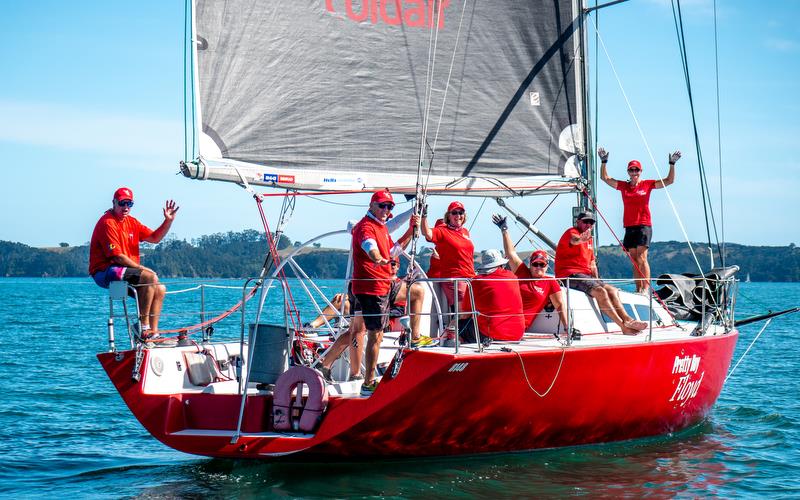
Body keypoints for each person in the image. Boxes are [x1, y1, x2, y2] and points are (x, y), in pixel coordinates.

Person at [350, 189, 418, 396]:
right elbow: (369, 246)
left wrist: (410, 231)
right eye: (382, 206)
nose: (386, 210)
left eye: (389, 207)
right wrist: (376, 257)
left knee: (416, 291)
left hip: (384, 285)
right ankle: (368, 382)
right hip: (371, 288)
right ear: (371, 205)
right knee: (375, 335)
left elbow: (393, 252)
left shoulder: (381, 227)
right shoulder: (365, 227)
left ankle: (415, 337)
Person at [315, 262, 429, 382]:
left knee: (355, 330)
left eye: (394, 264)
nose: (392, 266)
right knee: (352, 322)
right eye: (390, 263)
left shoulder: (399, 286)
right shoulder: (393, 285)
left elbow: (394, 309)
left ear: (399, 267)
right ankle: (314, 328)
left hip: (385, 317)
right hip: (375, 303)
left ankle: (332, 367)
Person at [89, 187, 179, 338]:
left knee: (160, 288)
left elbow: (155, 238)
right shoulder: (107, 223)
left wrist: (168, 221)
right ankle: (143, 329)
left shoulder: (132, 222)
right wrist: (142, 268)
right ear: (114, 202)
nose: (125, 207)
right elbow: (117, 257)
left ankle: (153, 333)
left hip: (124, 269)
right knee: (149, 277)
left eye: (129, 204)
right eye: (122, 203)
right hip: (105, 270)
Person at [599, 147, 682, 293]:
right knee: (634, 260)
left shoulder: (647, 184)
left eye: (637, 170)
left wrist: (672, 164)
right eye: (631, 170)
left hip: (644, 225)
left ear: (640, 171)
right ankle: (638, 289)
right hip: (629, 226)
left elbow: (669, 181)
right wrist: (604, 162)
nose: (634, 173)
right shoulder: (624, 186)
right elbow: (604, 178)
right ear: (628, 172)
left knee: (642, 257)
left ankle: (646, 289)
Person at [554, 210, 648, 335]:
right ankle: (622, 327)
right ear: (578, 222)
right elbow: (574, 240)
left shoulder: (589, 241)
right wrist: (581, 240)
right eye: (585, 222)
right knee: (600, 291)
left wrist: (598, 280)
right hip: (570, 275)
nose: (588, 225)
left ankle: (628, 320)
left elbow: (592, 264)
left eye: (591, 223)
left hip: (586, 275)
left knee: (612, 290)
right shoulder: (572, 232)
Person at [491, 214, 571, 337]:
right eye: (535, 264)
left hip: (516, 326)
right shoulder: (523, 272)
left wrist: (567, 327)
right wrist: (504, 229)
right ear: (530, 264)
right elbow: (510, 253)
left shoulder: (550, 282)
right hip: (501, 318)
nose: (538, 267)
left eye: (542, 264)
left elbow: (560, 305)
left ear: (546, 266)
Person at [421, 201, 475, 330]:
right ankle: (447, 336)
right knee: (463, 312)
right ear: (448, 216)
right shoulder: (442, 231)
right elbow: (427, 233)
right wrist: (424, 216)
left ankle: (464, 338)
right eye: (454, 213)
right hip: (455, 279)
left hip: (470, 278)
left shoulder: (465, 232)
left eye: (461, 212)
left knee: (473, 311)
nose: (458, 215)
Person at [458, 249, 525, 343]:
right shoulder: (513, 277)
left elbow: (465, 315)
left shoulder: (477, 281)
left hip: (491, 335)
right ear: (501, 264)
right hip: (517, 334)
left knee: (460, 325)